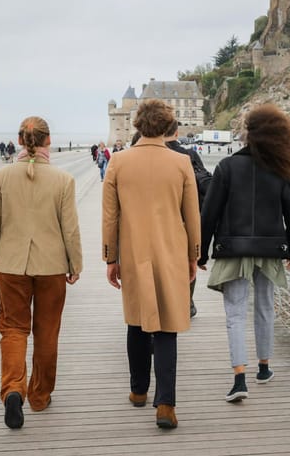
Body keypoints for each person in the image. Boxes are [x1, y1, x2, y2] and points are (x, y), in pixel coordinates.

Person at [102, 99, 200, 429]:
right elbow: (192, 215)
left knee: (136, 321)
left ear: (138, 125)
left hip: (132, 251)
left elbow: (110, 217)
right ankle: (167, 404)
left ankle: (138, 390)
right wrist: (193, 255)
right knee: (167, 326)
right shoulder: (181, 162)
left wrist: (110, 257)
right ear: (168, 126)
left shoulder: (118, 162)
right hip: (171, 250)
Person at [199, 104, 290, 403]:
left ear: (247, 135)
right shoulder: (280, 169)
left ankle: (239, 377)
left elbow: (210, 213)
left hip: (233, 249)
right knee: (265, 308)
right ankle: (264, 368)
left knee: (234, 313)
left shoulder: (227, 167)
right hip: (270, 250)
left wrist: (201, 253)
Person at [0, 116, 82, 429]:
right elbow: (70, 230)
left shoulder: (1, 176)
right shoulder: (62, 180)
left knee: (13, 329)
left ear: (18, 141)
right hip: (52, 267)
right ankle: (40, 396)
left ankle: (13, 389)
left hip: (12, 266)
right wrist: (74, 264)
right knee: (47, 331)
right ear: (48, 141)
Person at [164, 120, 212, 319]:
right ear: (176, 133)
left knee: (166, 263)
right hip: (188, 217)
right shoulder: (190, 155)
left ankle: (167, 302)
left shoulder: (156, 156)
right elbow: (204, 182)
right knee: (188, 260)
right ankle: (187, 302)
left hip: (164, 218)